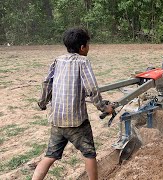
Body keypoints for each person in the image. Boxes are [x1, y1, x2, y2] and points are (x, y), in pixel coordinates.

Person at [32, 27, 113, 180]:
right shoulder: (83, 62)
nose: (88, 48)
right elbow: (92, 88)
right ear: (82, 47)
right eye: (88, 45)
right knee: (89, 153)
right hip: (77, 122)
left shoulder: (58, 60)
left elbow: (46, 83)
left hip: (57, 120)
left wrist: (42, 103)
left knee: (50, 155)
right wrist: (104, 107)